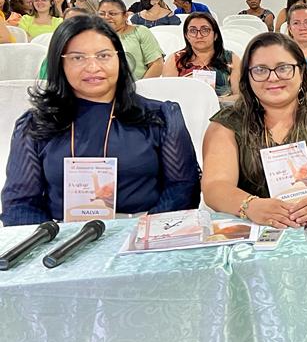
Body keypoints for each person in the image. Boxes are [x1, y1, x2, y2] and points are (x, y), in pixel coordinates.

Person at [1, 15, 200, 225]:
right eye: (78, 58)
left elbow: (182, 189)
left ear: (119, 59)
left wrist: (143, 233)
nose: (93, 67)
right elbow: (20, 203)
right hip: (63, 237)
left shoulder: (160, 116)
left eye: (103, 56)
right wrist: (51, 240)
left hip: (143, 233)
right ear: (59, 63)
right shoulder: (36, 124)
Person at [201, 33, 307, 228]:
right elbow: (215, 186)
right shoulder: (227, 125)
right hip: (255, 228)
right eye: (260, 70)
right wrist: (249, 206)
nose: (273, 78)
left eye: (283, 68)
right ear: (248, 76)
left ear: (301, 71)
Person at [161, 12, 240, 99]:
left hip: (224, 106)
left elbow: (239, 96)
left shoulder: (231, 59)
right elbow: (167, 96)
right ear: (187, 36)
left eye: (205, 30)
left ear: (215, 35)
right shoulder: (175, 60)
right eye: (193, 31)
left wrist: (214, 102)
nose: (199, 36)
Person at [97, 0, 164, 79]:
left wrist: (140, 86)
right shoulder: (94, 37)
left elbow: (157, 64)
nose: (106, 17)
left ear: (125, 15)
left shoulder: (140, 32)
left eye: (112, 14)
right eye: (101, 14)